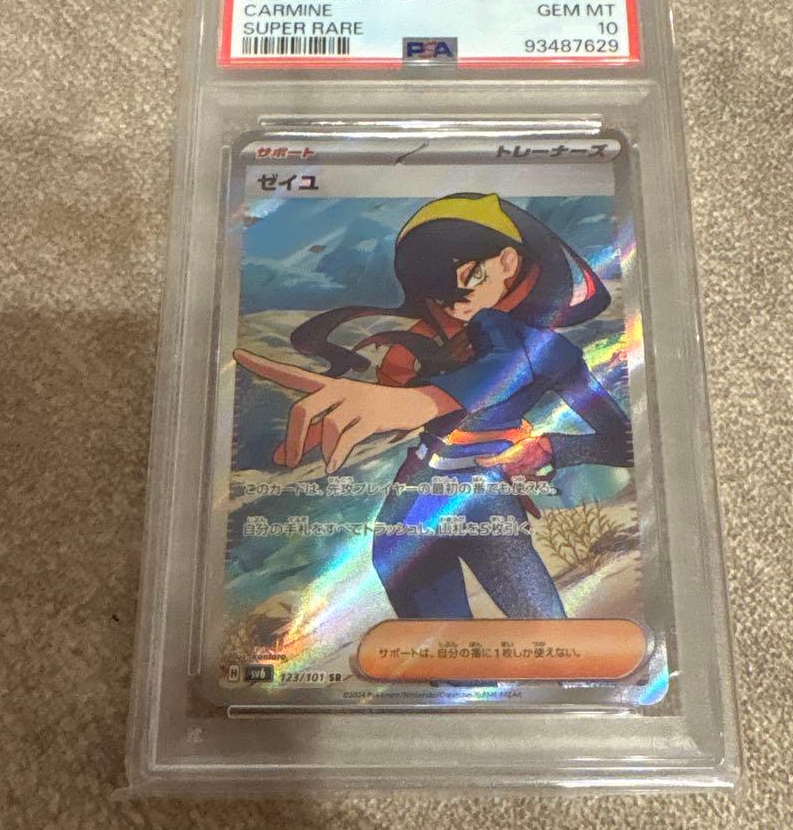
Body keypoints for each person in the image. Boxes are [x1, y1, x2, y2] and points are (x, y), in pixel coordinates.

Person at [234, 193, 632, 619]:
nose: (457, 301)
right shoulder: (432, 346)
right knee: (432, 650)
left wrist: (551, 448)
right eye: (442, 294)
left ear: (508, 262)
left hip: (485, 501)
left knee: (547, 638)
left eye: (470, 275)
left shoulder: (545, 349)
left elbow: (623, 442)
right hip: (411, 504)